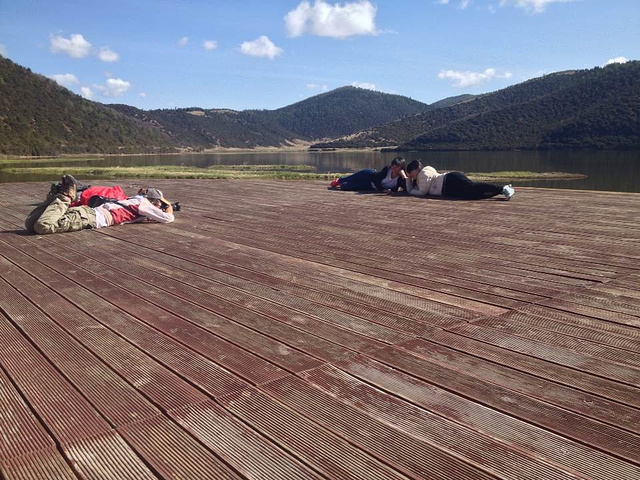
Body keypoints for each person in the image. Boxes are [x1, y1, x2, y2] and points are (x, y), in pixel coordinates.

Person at [25, 175, 175, 235]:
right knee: (42, 226)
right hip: (91, 218)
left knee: (31, 224)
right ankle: (65, 197)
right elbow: (168, 218)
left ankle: (54, 198)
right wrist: (168, 206)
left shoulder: (134, 199)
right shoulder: (144, 204)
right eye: (159, 203)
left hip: (86, 212)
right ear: (154, 201)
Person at [404, 160, 515, 200]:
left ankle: (502, 188)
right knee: (473, 195)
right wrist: (409, 180)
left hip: (449, 181)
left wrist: (409, 188)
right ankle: (500, 191)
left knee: (472, 187)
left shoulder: (424, 174)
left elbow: (422, 192)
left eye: (410, 172)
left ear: (416, 169)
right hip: (448, 188)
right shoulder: (421, 177)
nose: (410, 175)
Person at [329, 156, 408, 192]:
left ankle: (341, 183)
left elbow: (406, 188)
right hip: (369, 175)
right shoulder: (387, 169)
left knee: (345, 186)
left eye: (396, 167)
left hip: (370, 186)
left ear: (401, 167)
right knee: (351, 178)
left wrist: (404, 176)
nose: (393, 168)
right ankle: (339, 180)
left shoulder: (400, 179)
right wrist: (383, 190)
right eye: (392, 166)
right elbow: (376, 180)